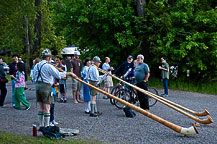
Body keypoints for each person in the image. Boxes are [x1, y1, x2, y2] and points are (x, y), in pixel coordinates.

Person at [31, 49, 77, 129]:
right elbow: (58, 75)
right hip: (46, 87)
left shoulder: (36, 65)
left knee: (41, 106)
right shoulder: (48, 66)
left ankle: (41, 126)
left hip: (38, 86)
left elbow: (33, 77)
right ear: (48, 58)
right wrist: (69, 73)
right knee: (47, 107)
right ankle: (46, 126)